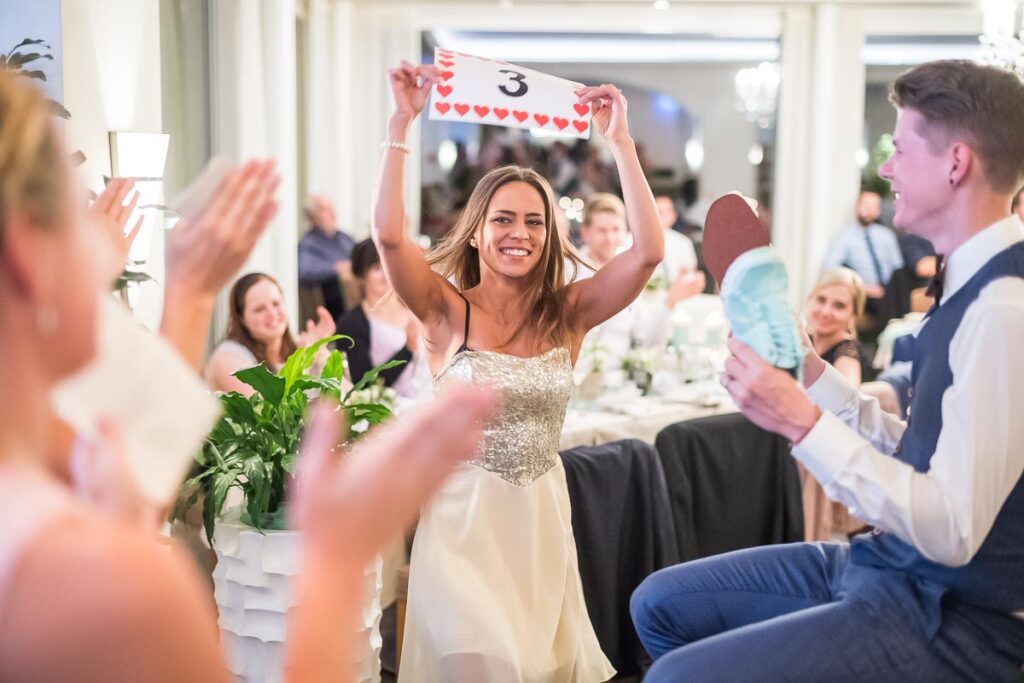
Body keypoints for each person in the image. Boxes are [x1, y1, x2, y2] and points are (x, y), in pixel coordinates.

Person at [0, 68, 499, 682]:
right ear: (26, 252)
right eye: (78, 219)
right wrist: (337, 558)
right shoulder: (100, 585)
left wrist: (183, 294)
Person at [632, 59, 1024, 681]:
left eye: (900, 149)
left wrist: (802, 424)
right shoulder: (970, 282)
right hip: (891, 566)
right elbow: (924, 453)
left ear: (956, 163)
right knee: (658, 602)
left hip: (956, 615)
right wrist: (812, 374)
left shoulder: (1003, 310)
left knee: (673, 676)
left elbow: (952, 529)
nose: (886, 169)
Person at [375, 60, 664, 681]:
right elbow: (391, 239)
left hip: (538, 526)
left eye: (535, 221)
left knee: (533, 667)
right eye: (503, 219)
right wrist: (401, 125)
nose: (520, 233)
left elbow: (647, 253)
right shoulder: (445, 312)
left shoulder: (569, 314)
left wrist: (620, 143)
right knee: (486, 662)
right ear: (474, 233)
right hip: (461, 529)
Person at [801, 268, 867, 541]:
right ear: (809, 300)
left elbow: (845, 402)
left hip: (817, 459)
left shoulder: (846, 353)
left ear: (853, 316)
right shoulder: (804, 341)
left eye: (839, 306)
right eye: (821, 300)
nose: (826, 311)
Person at [204, 272, 336, 396]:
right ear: (241, 318)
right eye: (259, 309)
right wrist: (304, 359)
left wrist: (321, 353)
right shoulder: (227, 357)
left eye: (276, 303)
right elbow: (267, 408)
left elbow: (343, 400)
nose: (272, 314)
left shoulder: (300, 346)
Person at [335, 239, 431, 400]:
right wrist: (407, 350)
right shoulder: (351, 324)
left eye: (389, 265)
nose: (385, 274)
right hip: (390, 408)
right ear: (361, 276)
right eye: (377, 268)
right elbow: (364, 386)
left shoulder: (415, 309)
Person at [822, 189, 904, 300]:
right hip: (861, 294)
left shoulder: (886, 235)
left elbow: (897, 266)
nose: (869, 210)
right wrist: (861, 287)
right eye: (866, 205)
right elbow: (830, 267)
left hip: (888, 294)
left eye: (874, 207)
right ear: (856, 207)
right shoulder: (845, 237)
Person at [297, 194, 354, 320]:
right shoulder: (309, 243)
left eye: (331, 208)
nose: (332, 213)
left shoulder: (344, 238)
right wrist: (336, 268)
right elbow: (304, 270)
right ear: (313, 218)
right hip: (335, 306)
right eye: (325, 210)